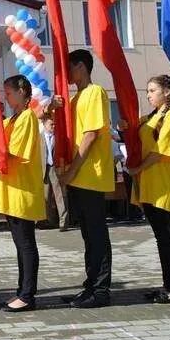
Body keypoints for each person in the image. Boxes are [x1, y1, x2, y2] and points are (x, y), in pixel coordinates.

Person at [0, 75, 45, 312]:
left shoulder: (27, 118)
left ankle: (27, 295)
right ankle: (21, 291)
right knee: (20, 244)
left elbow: (9, 153)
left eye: (9, 92)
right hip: (11, 192)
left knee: (25, 244)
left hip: (22, 191)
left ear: (23, 92)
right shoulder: (11, 120)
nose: (6, 97)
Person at [119, 75, 170, 303]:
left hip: (166, 186)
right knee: (161, 238)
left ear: (167, 92)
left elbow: (161, 151)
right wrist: (124, 128)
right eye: (147, 91)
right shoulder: (149, 118)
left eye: (153, 90)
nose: (148, 95)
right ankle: (168, 284)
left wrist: (137, 169)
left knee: (169, 236)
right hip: (149, 187)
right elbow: (134, 137)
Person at [58, 49, 114, 309]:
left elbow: (90, 135)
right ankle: (90, 286)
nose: (65, 73)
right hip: (80, 177)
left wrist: (71, 171)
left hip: (91, 174)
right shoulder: (74, 98)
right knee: (88, 237)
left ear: (81, 66)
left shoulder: (94, 92)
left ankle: (101, 291)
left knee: (97, 235)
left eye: (68, 67)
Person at [40, 115, 69, 231]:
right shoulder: (38, 138)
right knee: (45, 197)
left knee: (60, 195)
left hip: (56, 168)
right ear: (44, 125)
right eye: (51, 124)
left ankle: (63, 222)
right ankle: (47, 221)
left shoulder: (59, 138)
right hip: (44, 169)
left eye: (54, 124)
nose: (53, 126)